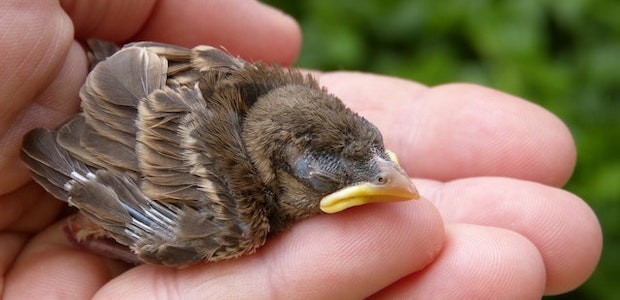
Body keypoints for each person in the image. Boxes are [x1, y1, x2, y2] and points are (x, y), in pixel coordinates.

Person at [0, 0, 601, 298]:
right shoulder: (239, 215)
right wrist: (100, 213)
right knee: (197, 234)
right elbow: (140, 206)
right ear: (281, 175)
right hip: (109, 118)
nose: (384, 172)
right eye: (319, 180)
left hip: (137, 81)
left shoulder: (290, 99)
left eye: (374, 152)